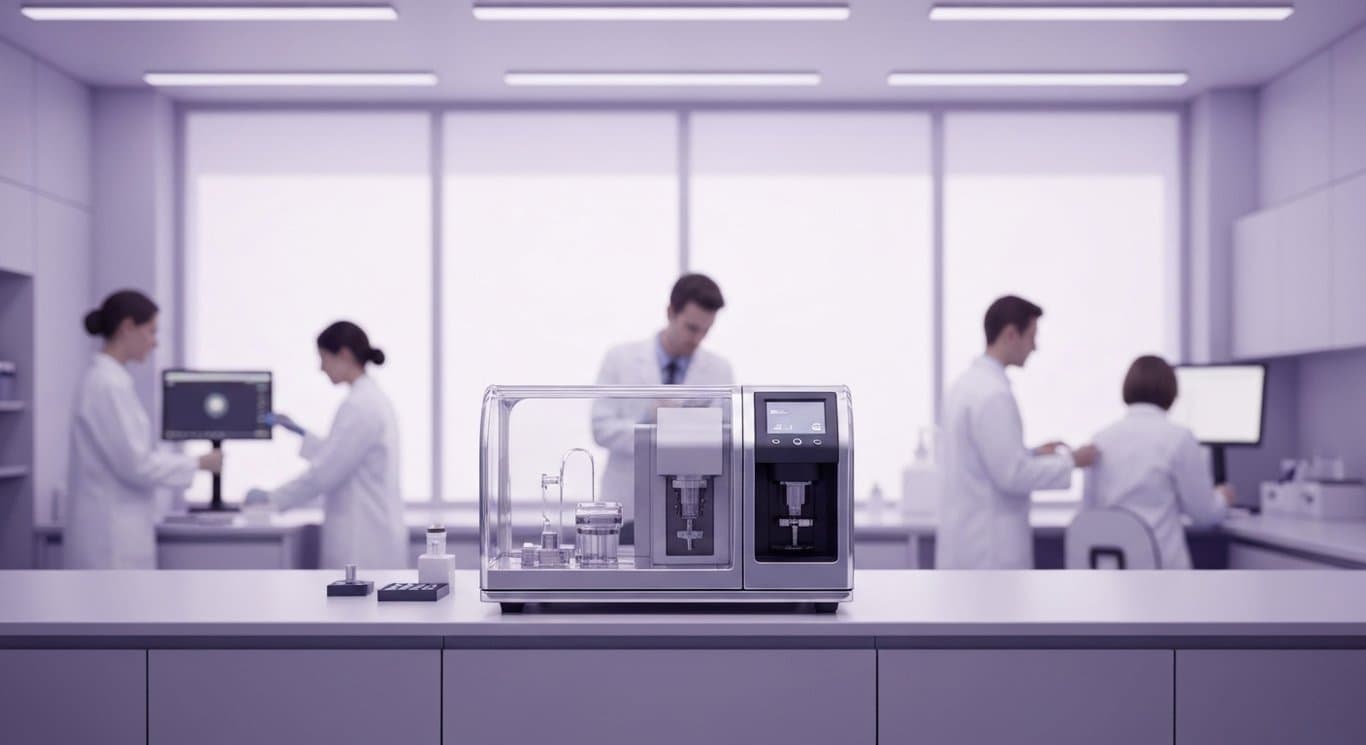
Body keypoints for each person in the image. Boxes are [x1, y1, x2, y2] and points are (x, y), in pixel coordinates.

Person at [936, 295, 1099, 569]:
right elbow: (1012, 475)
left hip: (967, 542)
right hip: (990, 552)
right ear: (1011, 334)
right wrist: (1072, 461)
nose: (1035, 347)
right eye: (1032, 336)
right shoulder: (992, 395)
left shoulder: (966, 386)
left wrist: (1032, 453)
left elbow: (981, 460)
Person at [66, 290, 223, 569]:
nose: (155, 342)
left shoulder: (112, 382)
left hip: (119, 531)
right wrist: (198, 463)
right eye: (151, 331)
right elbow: (136, 465)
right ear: (128, 327)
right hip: (109, 541)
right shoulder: (106, 385)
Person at [246, 321, 406, 569]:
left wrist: (271, 499)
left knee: (356, 607)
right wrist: (299, 432)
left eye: (324, 358)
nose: (321, 368)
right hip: (371, 535)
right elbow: (341, 456)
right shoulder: (369, 400)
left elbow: (325, 474)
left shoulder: (360, 406)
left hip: (363, 543)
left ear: (344, 355)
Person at [591, 274, 734, 535]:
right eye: (691, 328)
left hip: (691, 506)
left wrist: (689, 426)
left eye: (706, 330)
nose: (698, 338)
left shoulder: (719, 371)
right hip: (628, 504)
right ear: (671, 312)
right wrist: (650, 420)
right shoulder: (620, 359)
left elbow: (725, 439)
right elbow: (601, 429)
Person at [1082, 355, 1235, 569]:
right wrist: (1223, 498)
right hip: (1162, 570)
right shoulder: (1179, 438)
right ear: (1172, 393)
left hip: (1111, 570)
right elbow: (1204, 514)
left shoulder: (1100, 438)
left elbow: (1088, 512)